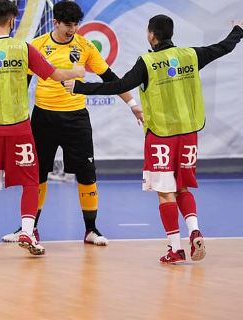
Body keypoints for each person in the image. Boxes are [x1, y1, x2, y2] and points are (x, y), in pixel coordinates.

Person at [64, 15, 243, 263]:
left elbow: (118, 85)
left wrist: (79, 87)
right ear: (172, 34)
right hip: (188, 134)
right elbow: (223, 47)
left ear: (151, 34)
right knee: (182, 187)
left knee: (164, 192)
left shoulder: (147, 63)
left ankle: (175, 248)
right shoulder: (190, 55)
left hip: (161, 136)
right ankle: (195, 231)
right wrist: (238, 30)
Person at [2, 0, 144, 246]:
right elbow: (22, 83)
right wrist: (14, 113)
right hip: (44, 117)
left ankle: (91, 230)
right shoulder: (37, 46)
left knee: (87, 173)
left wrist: (132, 104)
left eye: (76, 24)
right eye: (68, 24)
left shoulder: (85, 46)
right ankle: (29, 229)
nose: (73, 29)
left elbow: (110, 78)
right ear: (55, 22)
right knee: (37, 174)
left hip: (76, 118)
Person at [0, 0, 85, 257]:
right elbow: (55, 75)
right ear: (13, 21)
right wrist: (76, 72)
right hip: (20, 128)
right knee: (30, 181)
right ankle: (27, 231)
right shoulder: (24, 48)